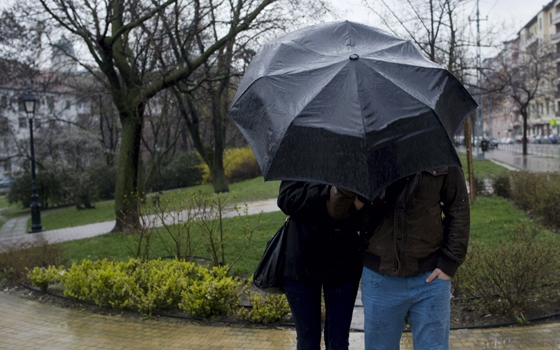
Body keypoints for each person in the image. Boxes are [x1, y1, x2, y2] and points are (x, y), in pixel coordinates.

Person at [357, 166, 470, 350]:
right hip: (380, 277)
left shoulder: (439, 148)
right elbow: (352, 213)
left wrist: (449, 262)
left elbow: (458, 207)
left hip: (430, 279)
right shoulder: (372, 147)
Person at [277, 181, 363, 350]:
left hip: (343, 263)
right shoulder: (300, 157)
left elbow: (368, 214)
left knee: (338, 341)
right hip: (301, 262)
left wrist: (355, 203)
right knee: (307, 341)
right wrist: (325, 192)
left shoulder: (355, 162)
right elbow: (286, 200)